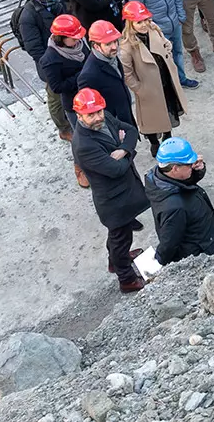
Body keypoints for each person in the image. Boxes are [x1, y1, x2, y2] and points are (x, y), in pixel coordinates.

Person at [69, 87, 150, 293]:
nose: (97, 118)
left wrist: (123, 149)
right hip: (114, 202)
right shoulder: (84, 145)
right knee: (121, 238)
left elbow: (131, 130)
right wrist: (128, 151)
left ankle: (115, 261)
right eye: (90, 115)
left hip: (123, 193)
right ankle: (127, 279)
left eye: (99, 112)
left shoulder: (106, 119)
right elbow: (116, 170)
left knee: (117, 236)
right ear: (79, 116)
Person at [143, 138, 214, 266]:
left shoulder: (161, 177)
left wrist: (197, 171)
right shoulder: (174, 208)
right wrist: (156, 264)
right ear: (175, 169)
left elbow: (185, 184)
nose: (193, 164)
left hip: (207, 239)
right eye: (189, 164)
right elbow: (169, 243)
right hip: (204, 254)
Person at [118, 1, 187, 157]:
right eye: (139, 22)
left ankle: (168, 137)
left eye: (145, 20)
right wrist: (140, 89)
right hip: (148, 88)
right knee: (150, 120)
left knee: (168, 111)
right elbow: (127, 73)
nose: (144, 24)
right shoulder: (127, 46)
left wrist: (167, 48)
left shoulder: (154, 30)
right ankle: (154, 143)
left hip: (165, 80)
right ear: (130, 23)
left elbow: (165, 43)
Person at [127, 0, 196, 88]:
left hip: (175, 23)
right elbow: (139, 17)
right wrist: (153, 31)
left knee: (177, 53)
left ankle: (181, 79)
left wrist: (180, 16)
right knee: (162, 60)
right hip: (157, 30)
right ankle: (169, 87)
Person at [36, 14, 92, 186]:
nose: (77, 41)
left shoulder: (81, 44)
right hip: (74, 103)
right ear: (61, 38)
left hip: (91, 95)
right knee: (80, 137)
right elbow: (57, 87)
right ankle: (80, 167)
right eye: (72, 38)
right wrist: (82, 75)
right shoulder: (50, 60)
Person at [16, 0, 67, 128]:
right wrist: (53, 63)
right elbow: (34, 48)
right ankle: (64, 128)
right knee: (56, 97)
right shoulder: (28, 16)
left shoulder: (56, 2)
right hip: (50, 62)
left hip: (67, 54)